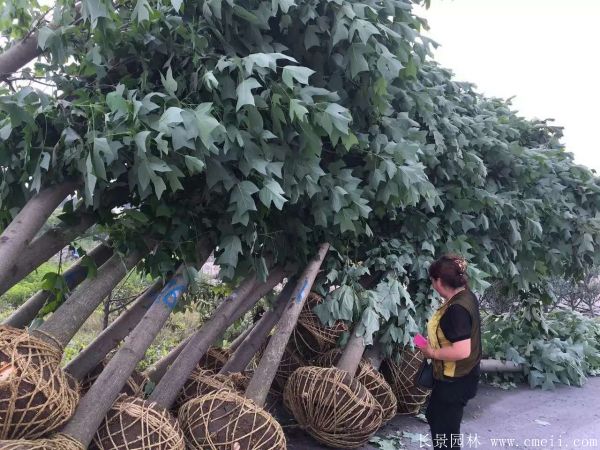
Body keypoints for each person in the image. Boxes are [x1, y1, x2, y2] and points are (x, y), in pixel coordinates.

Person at [418, 254, 482, 449]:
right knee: (436, 417)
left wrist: (432, 353)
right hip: (462, 376)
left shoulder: (456, 310)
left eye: (432, 281)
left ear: (438, 281)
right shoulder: (466, 296)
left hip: (456, 380)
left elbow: (462, 350)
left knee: (444, 432)